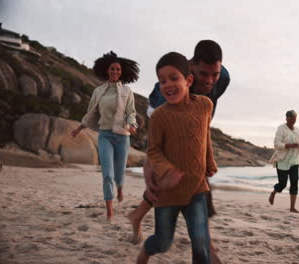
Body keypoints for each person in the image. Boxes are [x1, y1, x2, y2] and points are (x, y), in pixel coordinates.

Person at [128, 40, 229, 254]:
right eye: (204, 74)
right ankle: (207, 246)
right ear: (191, 66)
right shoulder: (165, 89)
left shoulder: (224, 77)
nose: (210, 81)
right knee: (171, 178)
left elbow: (208, 109)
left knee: (195, 178)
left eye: (215, 74)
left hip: (197, 124)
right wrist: (149, 170)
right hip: (167, 124)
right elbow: (155, 139)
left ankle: (138, 214)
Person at [71, 51, 139, 222]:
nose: (115, 72)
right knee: (107, 174)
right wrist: (79, 128)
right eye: (112, 69)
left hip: (122, 136)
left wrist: (132, 125)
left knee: (119, 172)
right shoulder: (98, 91)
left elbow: (131, 112)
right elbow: (92, 114)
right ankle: (109, 212)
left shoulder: (126, 91)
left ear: (121, 72)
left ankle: (121, 188)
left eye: (118, 69)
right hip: (105, 135)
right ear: (107, 71)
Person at [268, 110, 299, 213]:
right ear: (287, 118)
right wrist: (291, 146)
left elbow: (298, 141)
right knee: (283, 184)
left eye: (295, 119)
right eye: (292, 118)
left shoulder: (297, 130)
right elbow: (277, 145)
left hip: (294, 160)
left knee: (294, 182)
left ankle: (292, 207)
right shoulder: (281, 129)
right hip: (282, 160)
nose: (293, 121)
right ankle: (274, 192)